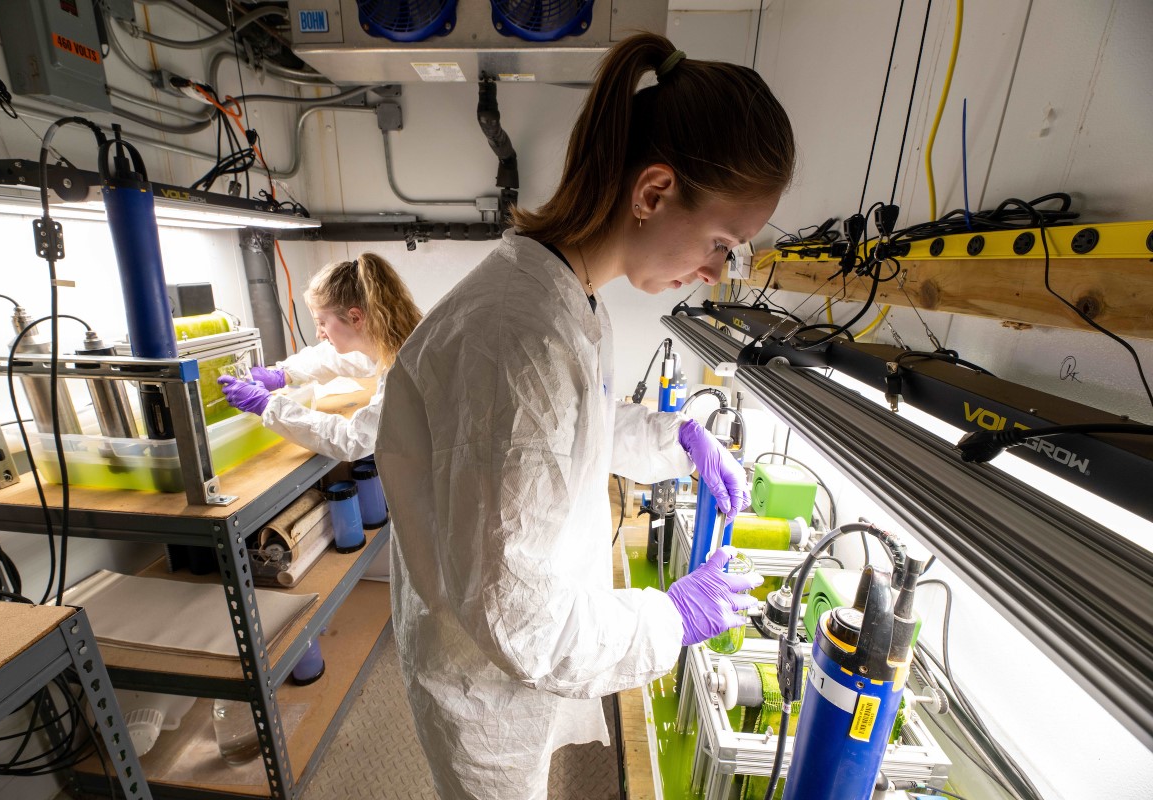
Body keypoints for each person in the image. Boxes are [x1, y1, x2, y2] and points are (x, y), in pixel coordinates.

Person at [375, 32, 795, 800]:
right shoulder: (522, 337)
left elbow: (579, 432)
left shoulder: (567, 296)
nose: (713, 273)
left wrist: (680, 442)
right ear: (654, 191)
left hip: (511, 658)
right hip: (485, 682)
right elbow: (520, 621)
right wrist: (669, 619)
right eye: (720, 243)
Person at [218, 253, 421, 463]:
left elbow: (352, 440)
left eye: (322, 323)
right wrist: (285, 373)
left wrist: (268, 405)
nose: (319, 334)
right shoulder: (401, 341)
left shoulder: (401, 372)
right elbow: (339, 358)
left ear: (355, 317)